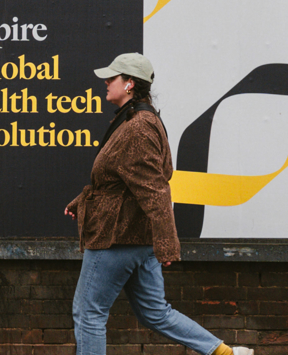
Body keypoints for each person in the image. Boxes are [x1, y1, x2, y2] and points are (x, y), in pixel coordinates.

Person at [64, 53, 252, 355]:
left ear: (130, 84)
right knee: (155, 313)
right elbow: (120, 179)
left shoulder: (138, 127)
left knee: (89, 313)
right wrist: (83, 201)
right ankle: (225, 354)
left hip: (118, 237)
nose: (105, 82)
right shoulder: (134, 120)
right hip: (137, 236)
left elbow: (155, 189)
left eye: (112, 78)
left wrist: (167, 243)